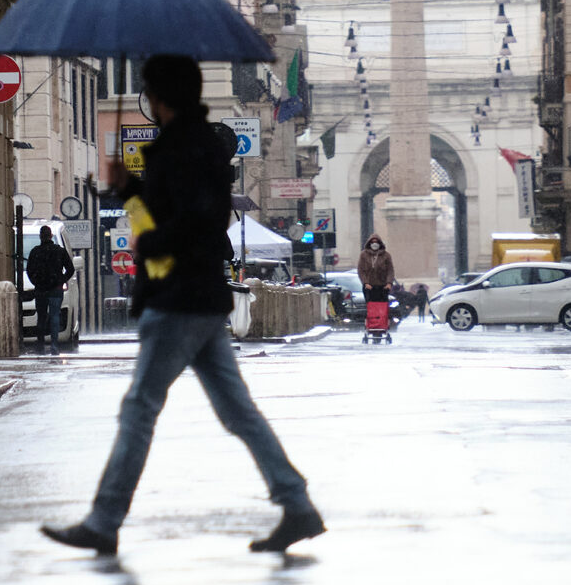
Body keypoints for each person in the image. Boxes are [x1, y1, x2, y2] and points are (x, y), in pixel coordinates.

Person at [41, 55, 323, 557]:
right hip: (201, 296)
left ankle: (104, 520)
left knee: (140, 408)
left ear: (162, 96)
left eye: (150, 91)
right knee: (238, 412)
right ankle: (296, 503)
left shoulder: (181, 149)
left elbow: (185, 224)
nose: (147, 99)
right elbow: (174, 211)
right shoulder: (198, 146)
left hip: (179, 297)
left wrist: (147, 233)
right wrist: (130, 191)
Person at [26, 225, 75, 356]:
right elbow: (70, 269)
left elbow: (30, 270)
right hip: (56, 289)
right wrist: (62, 280)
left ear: (40, 237)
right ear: (51, 236)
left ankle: (40, 344)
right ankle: (54, 345)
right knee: (54, 316)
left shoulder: (35, 252)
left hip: (41, 289)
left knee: (41, 317)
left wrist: (36, 282)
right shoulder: (59, 251)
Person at [358, 234, 396, 305]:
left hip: (383, 286)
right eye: (372, 242)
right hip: (369, 287)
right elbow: (361, 270)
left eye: (376, 242)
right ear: (369, 243)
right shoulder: (363, 255)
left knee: (382, 306)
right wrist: (365, 283)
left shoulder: (386, 255)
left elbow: (390, 270)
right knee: (371, 306)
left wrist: (389, 283)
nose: (374, 244)